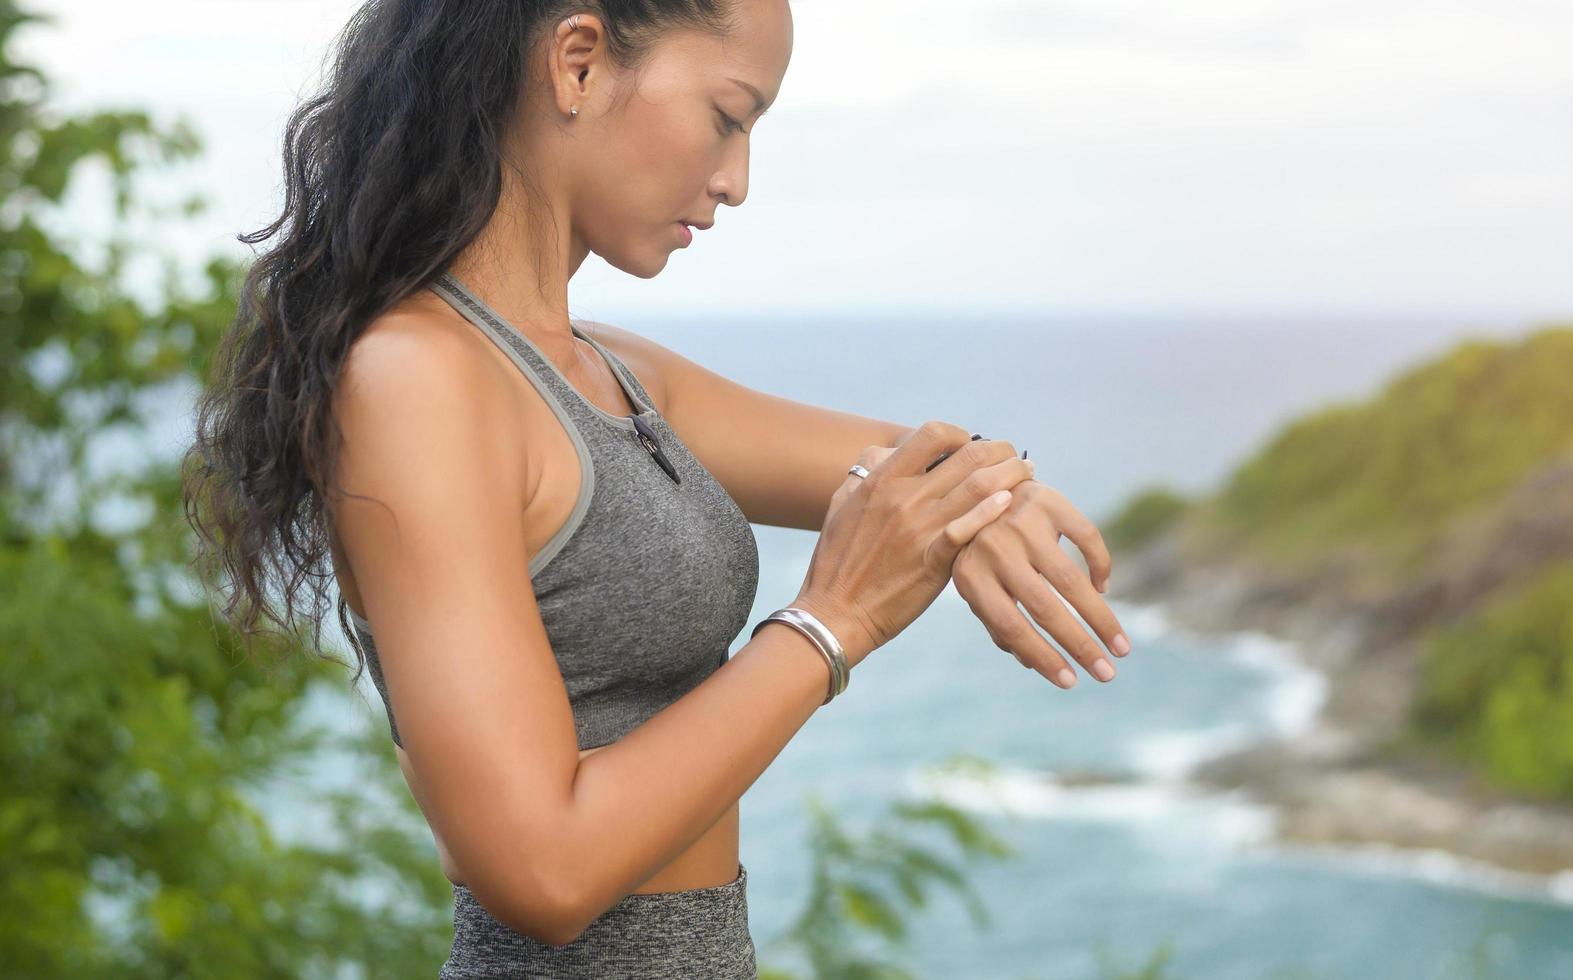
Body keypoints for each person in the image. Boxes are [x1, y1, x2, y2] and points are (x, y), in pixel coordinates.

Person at [182, 0, 1130, 975]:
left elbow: (908, 471)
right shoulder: (419, 379)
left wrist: (987, 500)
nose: (736, 179)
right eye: (727, 116)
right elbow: (541, 868)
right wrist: (829, 622)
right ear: (578, 64)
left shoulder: (616, 373)